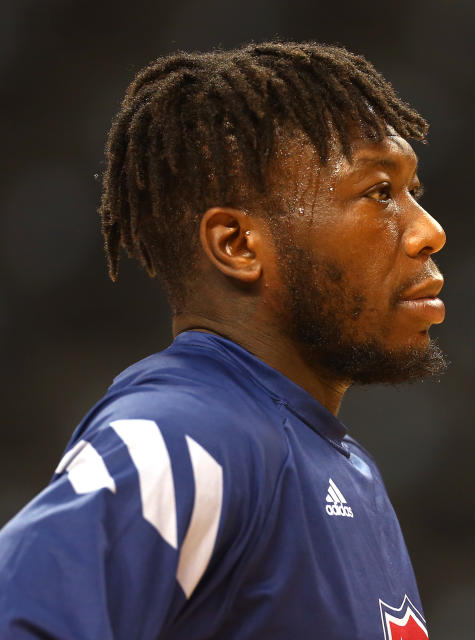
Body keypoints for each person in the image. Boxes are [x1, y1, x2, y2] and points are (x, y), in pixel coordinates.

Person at [0, 41, 445, 639]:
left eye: (414, 192)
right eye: (379, 192)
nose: (427, 232)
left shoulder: (342, 465)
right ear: (237, 245)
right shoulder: (187, 431)